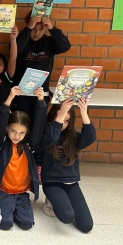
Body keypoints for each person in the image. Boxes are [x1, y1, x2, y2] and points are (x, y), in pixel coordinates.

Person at [0, 86, 46, 230]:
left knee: (28, 223)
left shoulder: (29, 145)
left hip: (21, 192)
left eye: (21, 133)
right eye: (13, 131)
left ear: (27, 133)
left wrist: (41, 101)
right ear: (7, 128)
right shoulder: (1, 143)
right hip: (3, 191)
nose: (16, 136)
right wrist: (10, 97)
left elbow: (39, 124)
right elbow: (1, 121)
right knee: (4, 223)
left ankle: (12, 207)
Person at [38, 98, 96, 233]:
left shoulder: (73, 137)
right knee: (67, 216)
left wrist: (84, 112)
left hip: (71, 183)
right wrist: (62, 111)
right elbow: (52, 137)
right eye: (61, 118)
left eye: (67, 121)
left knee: (87, 226)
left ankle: (63, 199)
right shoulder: (46, 135)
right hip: (52, 183)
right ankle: (52, 200)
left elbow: (90, 137)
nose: (63, 124)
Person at [13, 13, 71, 119]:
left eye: (41, 29)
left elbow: (65, 46)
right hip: (21, 93)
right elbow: (14, 49)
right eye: (33, 29)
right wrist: (28, 28)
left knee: (38, 124)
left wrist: (52, 28)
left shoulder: (49, 42)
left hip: (41, 93)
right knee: (21, 123)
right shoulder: (23, 40)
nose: (36, 33)